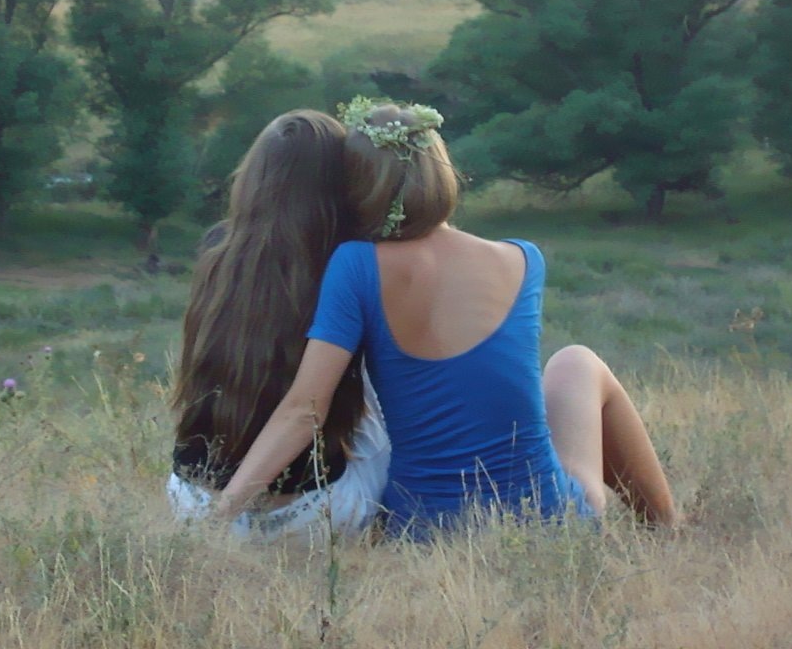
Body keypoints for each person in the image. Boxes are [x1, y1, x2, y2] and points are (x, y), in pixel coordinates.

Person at [217, 98, 677, 538]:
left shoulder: (357, 265)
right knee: (576, 362)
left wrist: (222, 511)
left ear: (357, 186)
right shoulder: (521, 258)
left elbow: (305, 410)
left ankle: (666, 528)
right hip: (547, 523)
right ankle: (667, 527)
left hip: (424, 528)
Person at [169, 109, 390, 540]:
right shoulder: (351, 258)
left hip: (190, 499)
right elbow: (306, 410)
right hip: (311, 513)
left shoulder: (217, 246)